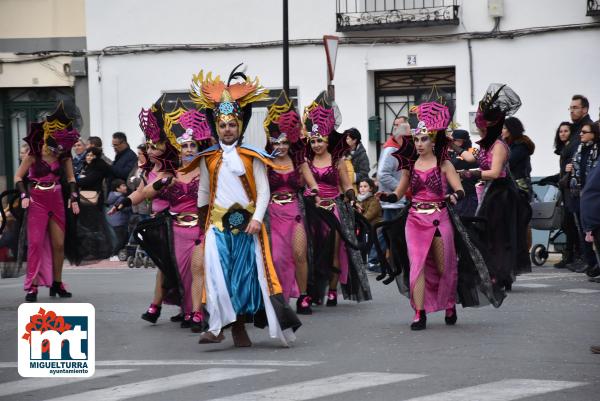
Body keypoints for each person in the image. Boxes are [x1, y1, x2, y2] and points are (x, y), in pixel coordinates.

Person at [183, 67, 301, 346]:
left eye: (232, 125)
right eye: (223, 125)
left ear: (239, 126)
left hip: (247, 228)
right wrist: (203, 227)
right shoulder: (207, 158)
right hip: (217, 226)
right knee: (216, 276)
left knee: (246, 280)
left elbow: (263, 191)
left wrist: (258, 219)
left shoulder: (252, 156)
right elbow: (203, 193)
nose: (227, 129)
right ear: (217, 127)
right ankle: (217, 326)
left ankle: (239, 327)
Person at [377, 101, 503, 330]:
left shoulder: (444, 164)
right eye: (416, 139)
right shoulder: (410, 165)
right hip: (414, 219)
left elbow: (460, 189)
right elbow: (400, 192)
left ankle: (448, 303)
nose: (419, 143)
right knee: (417, 265)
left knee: (445, 267)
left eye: (423, 138)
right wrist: (389, 197)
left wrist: (454, 197)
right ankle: (419, 312)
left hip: (439, 218)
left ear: (433, 139)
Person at [142, 101, 213, 331]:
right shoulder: (168, 172)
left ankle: (196, 313)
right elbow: (145, 193)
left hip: (200, 228)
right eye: (185, 146)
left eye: (193, 145)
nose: (189, 149)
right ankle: (186, 309)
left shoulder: (207, 170)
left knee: (198, 269)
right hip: (172, 227)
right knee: (176, 271)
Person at [453, 83, 530, 291]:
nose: (479, 129)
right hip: (490, 193)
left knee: (499, 236)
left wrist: (469, 173)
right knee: (489, 235)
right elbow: (469, 155)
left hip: (502, 194)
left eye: (481, 127)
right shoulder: (484, 145)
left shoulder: (499, 146)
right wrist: (447, 142)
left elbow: (495, 173)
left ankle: (502, 275)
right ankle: (494, 272)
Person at [302, 91, 371, 307]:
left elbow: (347, 184)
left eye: (320, 140)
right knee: (310, 250)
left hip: (333, 209)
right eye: (313, 141)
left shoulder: (337, 160)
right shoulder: (306, 160)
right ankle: (312, 289)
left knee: (334, 251)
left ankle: (332, 290)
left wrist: (351, 197)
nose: (316, 145)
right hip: (312, 210)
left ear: (327, 140)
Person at [14, 102, 80, 302]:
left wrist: (74, 197)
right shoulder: (34, 154)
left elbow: (71, 179)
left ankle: (57, 283)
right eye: (56, 147)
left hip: (57, 199)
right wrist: (25, 196)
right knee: (35, 243)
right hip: (37, 200)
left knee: (59, 244)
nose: (58, 151)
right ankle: (32, 286)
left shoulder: (64, 155)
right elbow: (18, 177)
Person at [263, 91, 319, 314]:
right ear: (271, 140)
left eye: (285, 142)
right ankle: (281, 296)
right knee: (277, 257)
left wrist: (313, 190)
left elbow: (312, 182)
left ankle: (304, 295)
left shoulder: (298, 160)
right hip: (273, 214)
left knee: (299, 254)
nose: (282, 146)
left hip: (295, 211)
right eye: (277, 142)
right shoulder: (264, 162)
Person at [566, 122, 600, 274]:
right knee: (583, 231)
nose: (581, 134)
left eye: (585, 132)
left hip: (593, 195)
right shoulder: (579, 149)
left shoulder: (597, 150)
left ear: (594, 134)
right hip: (579, 194)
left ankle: (595, 263)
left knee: (594, 232)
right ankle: (590, 262)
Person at [75, 146, 115, 261]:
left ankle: (97, 251)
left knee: (94, 227)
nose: (89, 157)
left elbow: (87, 181)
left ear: (96, 157)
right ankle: (89, 250)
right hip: (85, 198)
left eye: (91, 155)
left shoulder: (98, 167)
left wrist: (75, 180)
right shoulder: (87, 167)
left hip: (93, 199)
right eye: (87, 155)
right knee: (87, 227)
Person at [553, 122, 579, 269]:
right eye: (560, 131)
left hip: (571, 189)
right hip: (564, 189)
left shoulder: (572, 148)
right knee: (567, 224)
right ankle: (569, 255)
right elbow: (563, 171)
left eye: (566, 131)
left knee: (570, 224)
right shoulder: (564, 149)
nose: (562, 133)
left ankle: (572, 255)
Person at [502, 117, 535, 200]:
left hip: (519, 185)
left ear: (511, 129)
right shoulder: (509, 145)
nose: (502, 130)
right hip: (512, 184)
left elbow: (508, 163)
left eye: (504, 128)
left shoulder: (520, 146)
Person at [448, 129, 478, 217]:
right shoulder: (453, 153)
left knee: (465, 222)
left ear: (461, 141)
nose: (451, 142)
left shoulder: (473, 151)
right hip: (454, 193)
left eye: (453, 140)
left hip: (468, 193)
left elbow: (462, 163)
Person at [356, 178, 382, 271]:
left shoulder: (374, 200)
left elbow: (368, 216)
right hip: (365, 227)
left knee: (369, 243)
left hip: (374, 227)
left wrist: (359, 214)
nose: (362, 189)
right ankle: (363, 260)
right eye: (360, 186)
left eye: (365, 186)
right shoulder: (359, 200)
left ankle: (371, 262)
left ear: (370, 188)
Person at [106, 178, 131, 254]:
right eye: (123, 186)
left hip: (115, 221)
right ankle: (114, 254)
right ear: (117, 188)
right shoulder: (121, 198)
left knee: (121, 239)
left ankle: (119, 254)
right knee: (121, 240)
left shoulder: (111, 196)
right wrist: (130, 207)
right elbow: (123, 209)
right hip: (120, 221)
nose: (126, 187)